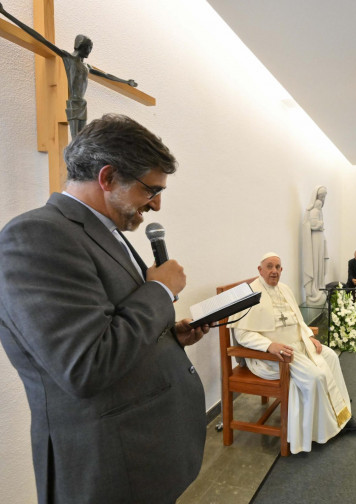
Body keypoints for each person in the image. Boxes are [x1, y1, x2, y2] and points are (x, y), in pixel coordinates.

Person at [0, 114, 209, 503]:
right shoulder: (36, 236)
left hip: (145, 448)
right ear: (108, 177)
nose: (157, 205)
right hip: (109, 462)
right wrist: (161, 290)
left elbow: (115, 323)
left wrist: (168, 336)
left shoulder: (104, 231)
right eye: (151, 189)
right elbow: (86, 365)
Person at [235, 253, 356, 454]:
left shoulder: (285, 289)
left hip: (298, 345)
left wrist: (308, 336)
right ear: (259, 270)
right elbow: (242, 333)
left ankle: (343, 417)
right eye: (269, 266)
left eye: (278, 267)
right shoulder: (251, 295)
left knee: (331, 356)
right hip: (274, 356)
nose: (274, 271)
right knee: (316, 376)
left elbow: (298, 321)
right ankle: (319, 431)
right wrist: (269, 346)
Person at [0, 5, 138, 138]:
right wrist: (5, 13)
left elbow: (107, 75)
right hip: (73, 103)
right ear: (80, 46)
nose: (90, 51)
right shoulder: (68, 58)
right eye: (89, 47)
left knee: (82, 140)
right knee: (75, 141)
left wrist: (126, 81)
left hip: (82, 103)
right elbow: (39, 38)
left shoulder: (86, 67)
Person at [301, 185, 328, 305]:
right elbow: (311, 225)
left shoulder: (319, 210)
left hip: (320, 238)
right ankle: (314, 288)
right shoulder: (312, 210)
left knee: (320, 264)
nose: (321, 200)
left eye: (323, 197)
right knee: (315, 263)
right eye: (320, 196)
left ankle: (319, 286)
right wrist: (320, 224)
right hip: (315, 239)